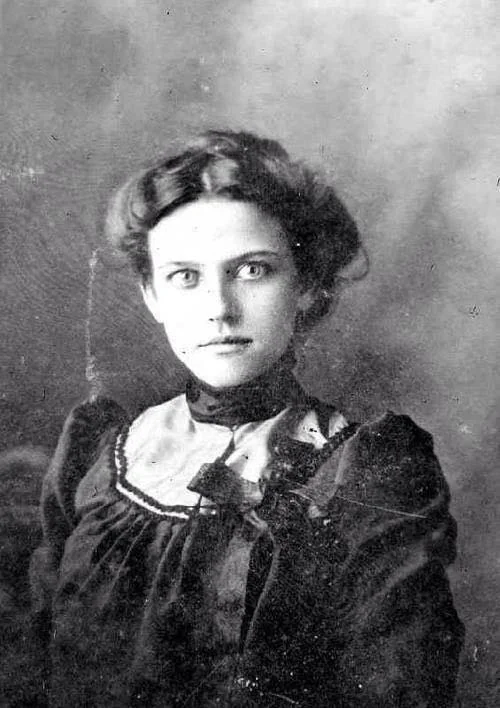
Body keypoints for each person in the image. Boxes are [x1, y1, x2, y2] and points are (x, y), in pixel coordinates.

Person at [30, 130, 464, 707]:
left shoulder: (368, 470)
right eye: (185, 276)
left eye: (252, 270)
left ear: (307, 286)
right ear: (152, 296)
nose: (218, 308)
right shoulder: (97, 452)